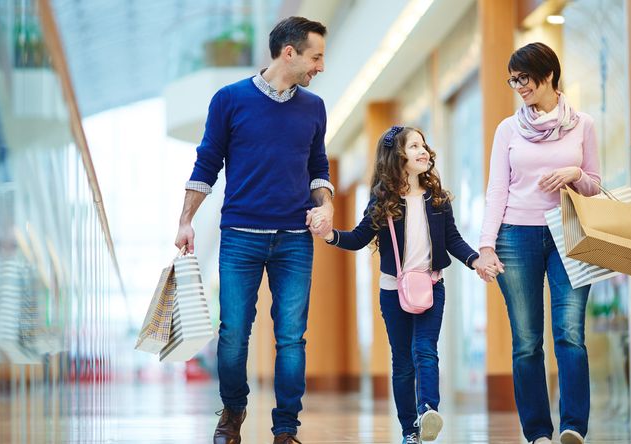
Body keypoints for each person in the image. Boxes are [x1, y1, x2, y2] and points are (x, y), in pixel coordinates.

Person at [174, 16, 334, 444]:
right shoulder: (230, 100)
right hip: (241, 236)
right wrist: (186, 221)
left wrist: (328, 205)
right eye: (315, 57)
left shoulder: (313, 107)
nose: (321, 66)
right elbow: (207, 163)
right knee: (232, 334)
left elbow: (318, 168)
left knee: (291, 338)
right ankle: (232, 412)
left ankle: (286, 429)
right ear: (289, 53)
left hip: (295, 240)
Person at [315, 125, 494, 444]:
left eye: (424, 145)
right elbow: (358, 238)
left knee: (425, 350)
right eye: (414, 146)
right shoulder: (382, 202)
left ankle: (428, 412)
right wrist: (330, 235)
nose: (423, 150)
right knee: (402, 361)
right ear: (397, 156)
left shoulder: (437, 199)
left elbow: (452, 238)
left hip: (432, 286)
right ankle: (409, 430)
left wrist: (475, 260)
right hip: (392, 292)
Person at [475, 42, 601, 444]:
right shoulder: (508, 129)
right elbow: (497, 189)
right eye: (512, 80)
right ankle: (537, 433)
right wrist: (486, 245)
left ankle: (572, 428)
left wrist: (573, 172)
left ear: (547, 75)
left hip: (571, 232)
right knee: (527, 341)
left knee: (570, 334)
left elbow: (595, 186)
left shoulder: (584, 124)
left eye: (523, 78)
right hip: (516, 235)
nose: (518, 86)